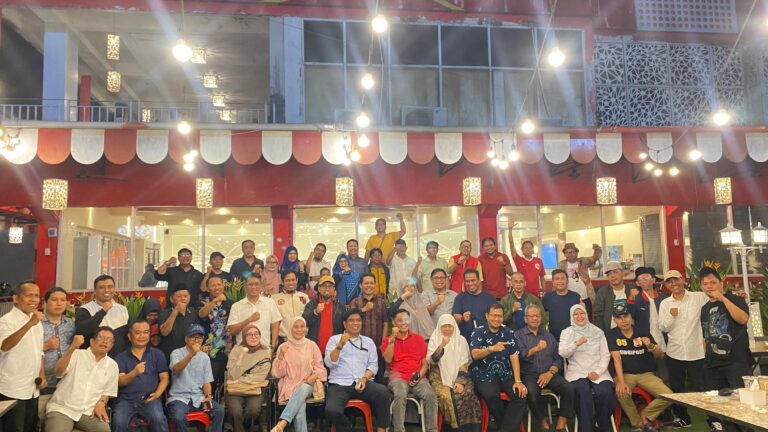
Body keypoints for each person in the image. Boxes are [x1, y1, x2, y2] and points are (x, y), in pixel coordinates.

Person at [699, 266, 751, 432]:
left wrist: (723, 298)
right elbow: (706, 334)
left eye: (713, 282)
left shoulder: (735, 299)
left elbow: (743, 319)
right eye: (705, 283)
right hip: (713, 363)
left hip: (736, 361)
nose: (709, 286)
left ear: (721, 284)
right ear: (701, 287)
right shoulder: (704, 309)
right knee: (720, 405)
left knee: (742, 404)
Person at [657, 269, 710, 428]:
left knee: (704, 387)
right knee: (676, 388)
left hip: (697, 352)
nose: (674, 284)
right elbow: (663, 327)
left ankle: (713, 420)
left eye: (676, 280)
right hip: (675, 352)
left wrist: (737, 295)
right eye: (669, 281)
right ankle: (683, 418)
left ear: (683, 280)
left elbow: (717, 297)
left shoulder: (698, 297)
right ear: (666, 285)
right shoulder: (665, 303)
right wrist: (671, 316)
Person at [324, 309, 392, 432]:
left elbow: (373, 365)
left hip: (362, 383)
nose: (355, 323)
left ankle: (382, 429)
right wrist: (340, 345)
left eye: (358, 320)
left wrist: (364, 378)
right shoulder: (334, 339)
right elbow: (329, 363)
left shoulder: (368, 342)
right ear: (344, 324)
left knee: (383, 392)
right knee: (331, 410)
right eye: (351, 320)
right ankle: (347, 428)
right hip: (339, 384)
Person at [607, 304, 670, 432]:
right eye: (619, 318)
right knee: (622, 392)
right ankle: (637, 424)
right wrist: (621, 382)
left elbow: (660, 355)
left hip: (646, 374)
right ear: (614, 320)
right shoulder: (611, 334)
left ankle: (644, 416)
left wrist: (651, 346)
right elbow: (617, 360)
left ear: (631, 317)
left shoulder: (642, 332)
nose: (624, 320)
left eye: (626, 316)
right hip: (625, 374)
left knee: (668, 396)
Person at [45, 328, 118, 432]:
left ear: (112, 345)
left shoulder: (113, 365)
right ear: (92, 341)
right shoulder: (77, 354)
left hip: (88, 412)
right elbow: (58, 372)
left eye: (109, 340)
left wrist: (101, 403)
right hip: (63, 409)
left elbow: (107, 392)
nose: (105, 341)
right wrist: (72, 348)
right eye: (101, 338)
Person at [469, 303, 528, 431]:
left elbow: (514, 357)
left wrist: (518, 381)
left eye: (499, 316)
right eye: (494, 315)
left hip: (505, 375)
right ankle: (507, 427)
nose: (497, 319)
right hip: (484, 375)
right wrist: (491, 349)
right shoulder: (478, 332)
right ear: (486, 316)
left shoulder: (509, 333)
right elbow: (475, 354)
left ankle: (505, 429)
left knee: (521, 394)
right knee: (491, 396)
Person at [516, 305, 574, 432]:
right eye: (532, 316)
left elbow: (557, 358)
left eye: (537, 316)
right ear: (525, 319)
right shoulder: (518, 335)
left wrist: (550, 372)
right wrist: (536, 349)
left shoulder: (548, 336)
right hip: (529, 374)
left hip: (549, 373)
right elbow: (520, 357)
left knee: (568, 388)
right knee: (531, 392)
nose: (535, 318)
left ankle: (561, 425)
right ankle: (543, 422)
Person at [559, 304, 615, 432]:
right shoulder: (567, 332)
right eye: (576, 314)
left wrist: (598, 372)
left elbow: (605, 355)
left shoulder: (597, 331)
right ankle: (586, 428)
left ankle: (600, 425)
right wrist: (576, 343)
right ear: (571, 317)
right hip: (577, 371)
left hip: (598, 371)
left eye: (582, 313)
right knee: (582, 392)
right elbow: (563, 353)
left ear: (586, 314)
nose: (580, 316)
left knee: (606, 393)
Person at [382, 309, 439, 432]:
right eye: (400, 320)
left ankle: (432, 430)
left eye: (406, 320)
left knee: (431, 395)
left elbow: (425, 364)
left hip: (417, 377)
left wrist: (419, 375)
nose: (404, 323)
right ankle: (399, 430)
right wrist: (392, 339)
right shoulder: (388, 340)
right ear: (394, 323)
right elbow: (387, 359)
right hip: (397, 377)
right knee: (400, 394)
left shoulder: (418, 339)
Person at [0, 281, 46, 432]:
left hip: (32, 388)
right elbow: (4, 346)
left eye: (37, 296)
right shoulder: (6, 321)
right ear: (15, 298)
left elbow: (39, 351)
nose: (34, 299)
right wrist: (29, 324)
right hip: (12, 388)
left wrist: (42, 375)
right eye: (29, 295)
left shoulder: (37, 321)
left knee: (30, 428)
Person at [427, 314, 482, 432]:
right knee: (448, 397)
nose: (447, 329)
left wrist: (460, 382)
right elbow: (432, 361)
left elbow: (464, 364)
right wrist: (442, 345)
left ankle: (471, 429)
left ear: (454, 326)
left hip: (461, 376)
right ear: (439, 327)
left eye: (450, 326)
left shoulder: (461, 340)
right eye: (444, 326)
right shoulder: (434, 339)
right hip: (439, 379)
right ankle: (455, 428)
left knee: (467, 394)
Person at [271, 317, 327, 432]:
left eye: (302, 327)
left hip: (308, 385)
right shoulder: (283, 347)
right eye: (296, 327)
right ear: (290, 328)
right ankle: (282, 424)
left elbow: (321, 369)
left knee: (304, 387)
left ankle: (282, 423)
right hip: (289, 385)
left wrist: (314, 376)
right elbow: (277, 374)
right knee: (300, 409)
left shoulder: (312, 345)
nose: (299, 329)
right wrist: (280, 356)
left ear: (306, 329)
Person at [113, 320, 170, 432]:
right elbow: (120, 381)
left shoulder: (157, 354)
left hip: (150, 399)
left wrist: (157, 394)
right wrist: (134, 373)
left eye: (146, 332)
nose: (142, 336)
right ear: (130, 336)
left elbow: (165, 377)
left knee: (158, 419)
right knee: (118, 421)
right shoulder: (121, 357)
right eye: (138, 333)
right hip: (126, 400)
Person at [167, 324, 224, 432]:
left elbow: (206, 382)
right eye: (193, 337)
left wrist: (208, 397)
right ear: (186, 339)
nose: (197, 340)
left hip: (198, 397)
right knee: (178, 417)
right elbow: (176, 368)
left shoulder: (205, 357)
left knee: (219, 411)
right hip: (179, 397)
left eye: (200, 337)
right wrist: (192, 354)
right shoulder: (176, 353)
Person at [224, 324, 271, 432]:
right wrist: (241, 356)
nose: (253, 337)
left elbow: (260, 376)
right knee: (235, 411)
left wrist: (239, 380)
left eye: (256, 334)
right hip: (235, 390)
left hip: (254, 389)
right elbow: (233, 374)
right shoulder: (236, 350)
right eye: (249, 334)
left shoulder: (265, 351)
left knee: (253, 410)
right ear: (244, 336)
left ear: (260, 336)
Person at [628, 267, 668, 383]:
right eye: (640, 279)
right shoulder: (636, 299)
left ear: (653, 280)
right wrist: (631, 299)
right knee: (650, 375)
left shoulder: (663, 298)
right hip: (646, 341)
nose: (644, 281)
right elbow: (629, 316)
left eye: (646, 278)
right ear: (637, 283)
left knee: (666, 374)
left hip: (665, 340)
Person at [40, 287, 75, 419]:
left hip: (67, 379)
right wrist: (46, 346)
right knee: (42, 416)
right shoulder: (37, 324)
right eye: (54, 300)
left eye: (63, 300)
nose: (59, 303)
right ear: (45, 303)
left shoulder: (71, 324)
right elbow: (26, 350)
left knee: (63, 416)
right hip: (45, 380)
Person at [75, 274, 129, 357]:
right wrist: (103, 311)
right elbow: (81, 331)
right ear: (95, 291)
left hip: (119, 359)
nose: (106, 290)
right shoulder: (85, 309)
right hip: (94, 359)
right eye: (101, 287)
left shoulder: (122, 309)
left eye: (110, 287)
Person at [197, 275, 233, 386]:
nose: (216, 287)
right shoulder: (202, 302)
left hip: (226, 348)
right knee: (209, 380)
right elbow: (201, 314)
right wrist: (216, 300)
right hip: (208, 347)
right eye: (213, 285)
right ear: (208, 289)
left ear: (223, 286)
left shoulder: (231, 303)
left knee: (225, 380)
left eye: (219, 284)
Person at [228, 275, 282, 348]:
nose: (253, 287)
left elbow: (275, 325)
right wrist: (249, 320)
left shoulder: (270, 302)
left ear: (261, 286)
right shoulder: (236, 306)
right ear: (245, 287)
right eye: (250, 284)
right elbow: (232, 331)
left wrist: (273, 346)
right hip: (243, 350)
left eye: (256, 284)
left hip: (264, 349)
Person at [302, 275, 347, 355]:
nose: (327, 288)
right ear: (319, 289)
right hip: (315, 350)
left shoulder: (341, 307)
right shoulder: (311, 305)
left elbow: (346, 327)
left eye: (330, 286)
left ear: (334, 289)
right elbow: (304, 322)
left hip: (334, 351)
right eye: (324, 286)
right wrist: (315, 312)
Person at [558, 243, 602, 321]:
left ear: (577, 252)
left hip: (585, 297)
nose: (570, 254)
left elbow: (594, 258)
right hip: (568, 298)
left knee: (587, 319)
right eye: (567, 252)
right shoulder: (561, 264)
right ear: (564, 254)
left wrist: (597, 250)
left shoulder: (583, 261)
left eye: (572, 252)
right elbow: (558, 279)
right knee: (570, 320)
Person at [452, 269, 497, 342]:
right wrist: (462, 318)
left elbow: (496, 317)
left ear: (479, 280)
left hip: (487, 338)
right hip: (466, 339)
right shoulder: (459, 298)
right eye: (467, 281)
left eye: (473, 280)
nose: (470, 283)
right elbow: (455, 316)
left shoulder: (490, 298)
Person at [158, 284, 199, 360]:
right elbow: (164, 332)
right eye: (179, 296)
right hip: (171, 355)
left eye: (185, 296)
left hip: (190, 354)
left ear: (189, 297)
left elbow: (197, 333)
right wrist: (175, 311)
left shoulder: (193, 312)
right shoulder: (164, 314)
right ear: (171, 299)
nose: (183, 299)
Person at [543, 269, 582, 341]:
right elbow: (542, 318)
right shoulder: (547, 297)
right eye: (557, 279)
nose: (560, 281)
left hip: (573, 338)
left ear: (567, 281)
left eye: (563, 278)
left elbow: (582, 317)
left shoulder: (576, 297)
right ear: (553, 282)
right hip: (553, 338)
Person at [507, 225, 546, 298]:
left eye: (530, 248)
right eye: (526, 248)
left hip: (535, 295)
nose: (528, 249)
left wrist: (544, 291)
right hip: (522, 294)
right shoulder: (519, 260)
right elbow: (511, 245)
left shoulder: (539, 261)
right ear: (522, 250)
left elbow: (542, 277)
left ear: (533, 249)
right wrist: (510, 229)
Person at [594, 261, 634, 331]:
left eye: (615, 272)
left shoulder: (631, 289)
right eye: (609, 274)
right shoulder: (602, 292)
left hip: (631, 331)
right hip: (611, 332)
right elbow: (598, 316)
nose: (612, 276)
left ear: (622, 273)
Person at [272, 270, 310, 343]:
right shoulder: (274, 298)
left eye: (293, 280)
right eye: (287, 280)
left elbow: (308, 317)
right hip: (283, 340)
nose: (291, 283)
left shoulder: (304, 297)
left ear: (297, 280)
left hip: (302, 339)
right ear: (282, 282)